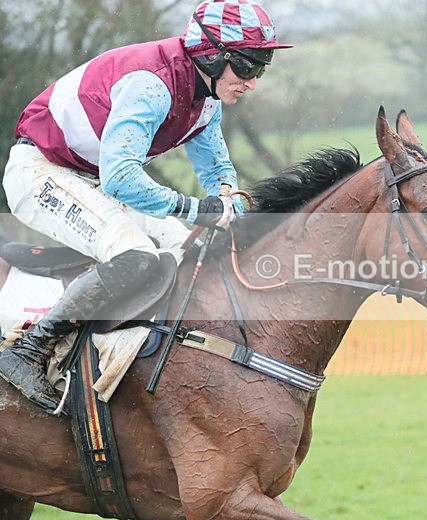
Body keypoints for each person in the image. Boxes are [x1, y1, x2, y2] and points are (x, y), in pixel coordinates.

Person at [0, 0, 291, 414]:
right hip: (43, 172)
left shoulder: (206, 95)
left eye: (261, 67)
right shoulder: (151, 85)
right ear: (212, 55)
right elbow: (121, 178)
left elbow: (216, 170)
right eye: (247, 66)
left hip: (93, 177)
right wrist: (195, 208)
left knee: (193, 249)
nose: (253, 82)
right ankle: (29, 349)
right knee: (135, 256)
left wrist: (229, 203)